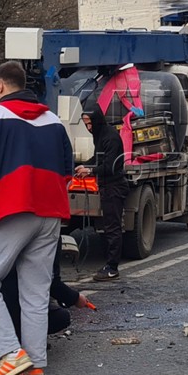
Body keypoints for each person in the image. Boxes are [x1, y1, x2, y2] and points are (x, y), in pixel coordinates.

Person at [0, 60, 74, 375]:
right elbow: (68, 169)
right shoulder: (53, 119)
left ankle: (11, 354)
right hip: (50, 211)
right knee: (36, 294)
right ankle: (34, 367)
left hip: (11, 208)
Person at [80, 103, 129, 282]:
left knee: (113, 227)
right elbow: (98, 158)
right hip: (107, 186)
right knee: (109, 226)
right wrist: (85, 164)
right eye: (85, 124)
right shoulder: (99, 135)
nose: (88, 127)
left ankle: (112, 267)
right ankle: (110, 263)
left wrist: (90, 171)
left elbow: (109, 166)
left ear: (97, 120)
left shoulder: (110, 137)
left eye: (90, 123)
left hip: (114, 186)